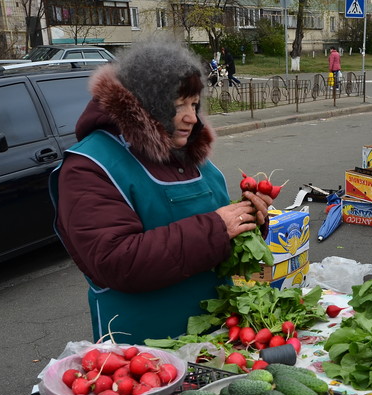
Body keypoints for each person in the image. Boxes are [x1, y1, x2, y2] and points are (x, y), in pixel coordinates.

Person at [50, 40, 272, 341]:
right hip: (142, 350)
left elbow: (220, 240)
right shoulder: (89, 166)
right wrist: (217, 228)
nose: (192, 117)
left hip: (218, 332)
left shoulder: (192, 158)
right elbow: (116, 261)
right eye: (178, 104)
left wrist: (249, 222)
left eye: (194, 104)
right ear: (145, 101)